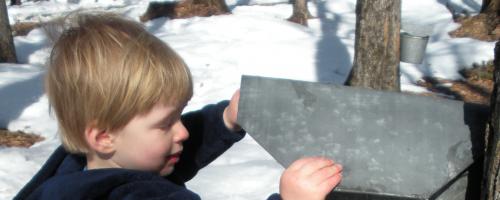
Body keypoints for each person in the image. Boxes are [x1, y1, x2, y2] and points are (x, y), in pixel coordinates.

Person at [14, 12, 343, 200]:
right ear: (103, 137)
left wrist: (225, 119)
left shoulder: (76, 172)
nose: (182, 130)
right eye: (165, 123)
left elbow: (164, 157)